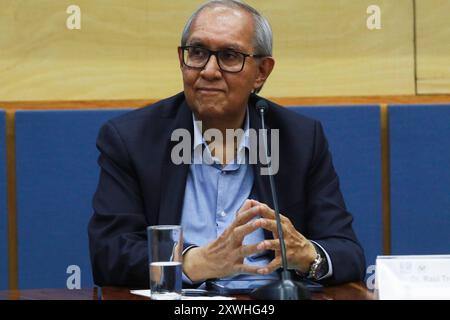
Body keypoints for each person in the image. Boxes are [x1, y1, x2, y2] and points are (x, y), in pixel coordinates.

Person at [88, 0, 365, 288]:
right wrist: (194, 262)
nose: (209, 70)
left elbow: (347, 253)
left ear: (261, 72)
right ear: (182, 60)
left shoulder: (299, 139)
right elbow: (109, 253)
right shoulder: (133, 139)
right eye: (197, 53)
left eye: (229, 56)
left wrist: (307, 255)